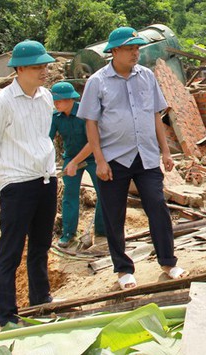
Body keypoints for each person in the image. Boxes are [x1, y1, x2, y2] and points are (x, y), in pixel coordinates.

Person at [77, 27, 185, 290]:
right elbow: (90, 124)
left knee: (158, 207)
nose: (135, 53)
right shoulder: (97, 82)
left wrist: (166, 151)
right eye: (129, 49)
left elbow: (155, 116)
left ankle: (168, 262)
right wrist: (100, 161)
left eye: (137, 48)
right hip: (113, 159)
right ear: (114, 51)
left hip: (146, 157)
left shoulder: (146, 76)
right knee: (115, 215)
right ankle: (124, 269)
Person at [0, 40, 59, 330]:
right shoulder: (1, 103)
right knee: (11, 252)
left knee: (40, 247)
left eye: (45, 66)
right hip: (16, 184)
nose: (44, 71)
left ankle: (41, 301)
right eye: (38, 67)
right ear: (20, 69)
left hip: (45, 180)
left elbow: (43, 138)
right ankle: (7, 316)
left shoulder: (47, 97)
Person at [49, 81, 106, 247]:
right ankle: (68, 234)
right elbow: (46, 141)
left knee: (103, 192)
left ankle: (101, 231)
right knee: (70, 195)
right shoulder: (56, 117)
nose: (56, 104)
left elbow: (93, 142)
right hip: (71, 157)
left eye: (59, 100)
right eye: (55, 101)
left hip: (93, 156)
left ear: (70, 100)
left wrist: (75, 162)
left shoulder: (85, 114)